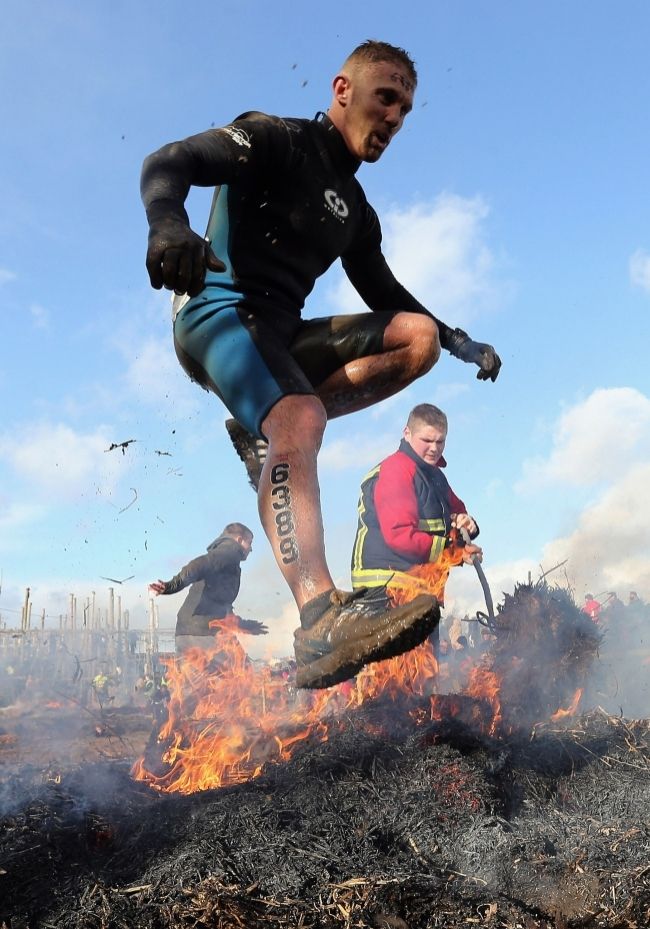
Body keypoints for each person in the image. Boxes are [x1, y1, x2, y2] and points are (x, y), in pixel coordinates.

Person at [140, 40, 501, 690]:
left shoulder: (356, 213)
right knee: (300, 412)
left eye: (405, 109)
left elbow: (387, 295)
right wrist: (168, 226)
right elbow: (169, 161)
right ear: (343, 89)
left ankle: (270, 430)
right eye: (385, 97)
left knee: (413, 338)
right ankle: (318, 619)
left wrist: (457, 341)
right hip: (217, 311)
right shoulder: (274, 138)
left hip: (282, 335)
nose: (393, 117)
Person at [351, 404, 482, 596]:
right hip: (387, 590)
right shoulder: (397, 470)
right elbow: (400, 535)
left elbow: (457, 512)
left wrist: (468, 524)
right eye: (427, 440)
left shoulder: (435, 476)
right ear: (407, 433)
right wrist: (453, 551)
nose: (434, 449)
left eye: (440, 441)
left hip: (419, 590)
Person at [148, 523, 267, 655]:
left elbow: (219, 606)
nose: (250, 549)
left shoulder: (229, 562)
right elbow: (198, 565)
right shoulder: (226, 554)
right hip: (204, 633)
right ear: (239, 540)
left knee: (196, 676)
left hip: (186, 632)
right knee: (243, 670)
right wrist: (170, 586)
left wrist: (243, 625)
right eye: (249, 543)